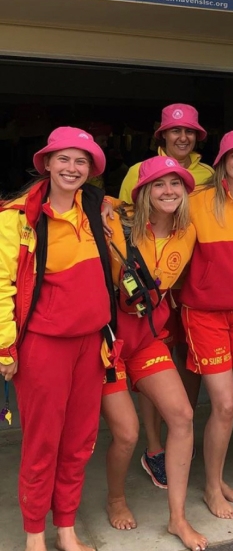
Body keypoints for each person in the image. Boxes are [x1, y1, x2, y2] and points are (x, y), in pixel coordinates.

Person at [0, 127, 113, 551]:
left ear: (91, 171)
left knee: (80, 440)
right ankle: (34, 536)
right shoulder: (17, 216)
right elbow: (1, 284)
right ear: (46, 163)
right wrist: (5, 347)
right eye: (63, 159)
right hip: (44, 345)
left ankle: (66, 528)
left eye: (81, 161)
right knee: (43, 441)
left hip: (91, 343)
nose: (72, 168)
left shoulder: (97, 207)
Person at [101, 156, 208, 551]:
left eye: (176, 184)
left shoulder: (189, 232)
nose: (168, 192)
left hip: (147, 339)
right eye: (159, 185)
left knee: (182, 416)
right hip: (107, 344)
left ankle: (177, 519)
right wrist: (102, 201)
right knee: (127, 434)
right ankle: (116, 498)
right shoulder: (116, 220)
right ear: (143, 191)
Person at [118, 104, 213, 490]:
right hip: (133, 300)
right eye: (175, 131)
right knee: (141, 378)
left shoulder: (207, 175)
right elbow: (123, 219)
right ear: (162, 135)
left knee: (177, 373)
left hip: (178, 293)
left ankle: (173, 442)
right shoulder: (136, 174)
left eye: (189, 131)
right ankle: (154, 448)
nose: (182, 137)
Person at [180, 130, 233, 519]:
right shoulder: (196, 201)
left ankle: (217, 479)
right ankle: (212, 488)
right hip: (206, 314)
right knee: (226, 404)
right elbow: (152, 213)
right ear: (221, 162)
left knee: (225, 410)